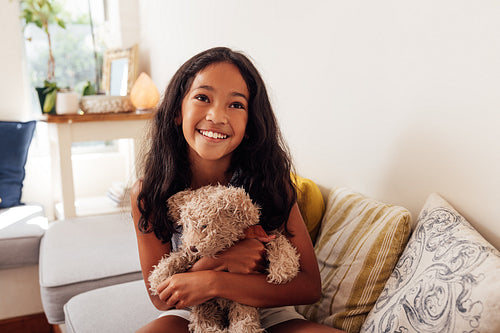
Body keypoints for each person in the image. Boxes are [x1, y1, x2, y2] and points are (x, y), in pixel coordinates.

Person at [131, 47, 344, 333]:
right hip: (195, 313)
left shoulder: (271, 180)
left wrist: (217, 280)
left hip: (267, 310)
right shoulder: (150, 191)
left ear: (251, 123)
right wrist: (216, 261)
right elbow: (160, 296)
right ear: (176, 113)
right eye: (202, 98)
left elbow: (308, 286)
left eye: (236, 104)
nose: (217, 116)